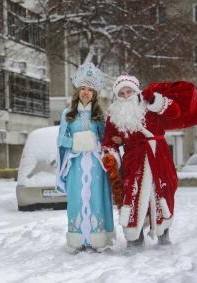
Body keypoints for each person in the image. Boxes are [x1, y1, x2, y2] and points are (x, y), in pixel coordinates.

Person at [102, 74, 197, 248]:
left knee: (162, 193)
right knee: (133, 196)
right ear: (117, 96)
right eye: (122, 93)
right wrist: (110, 156)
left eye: (129, 91)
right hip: (133, 161)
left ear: (136, 92)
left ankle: (164, 232)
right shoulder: (114, 115)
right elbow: (108, 141)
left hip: (159, 156)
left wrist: (156, 99)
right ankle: (135, 238)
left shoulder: (149, 104)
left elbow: (175, 112)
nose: (126, 95)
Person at [56, 63, 114, 251]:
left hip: (96, 164)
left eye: (90, 89)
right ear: (78, 91)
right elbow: (61, 140)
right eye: (83, 88)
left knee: (96, 197)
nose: (86, 92)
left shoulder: (98, 115)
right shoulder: (67, 114)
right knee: (77, 198)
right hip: (75, 163)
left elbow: (106, 141)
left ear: (95, 94)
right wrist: (75, 143)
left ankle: (97, 238)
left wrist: (95, 143)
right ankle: (77, 238)